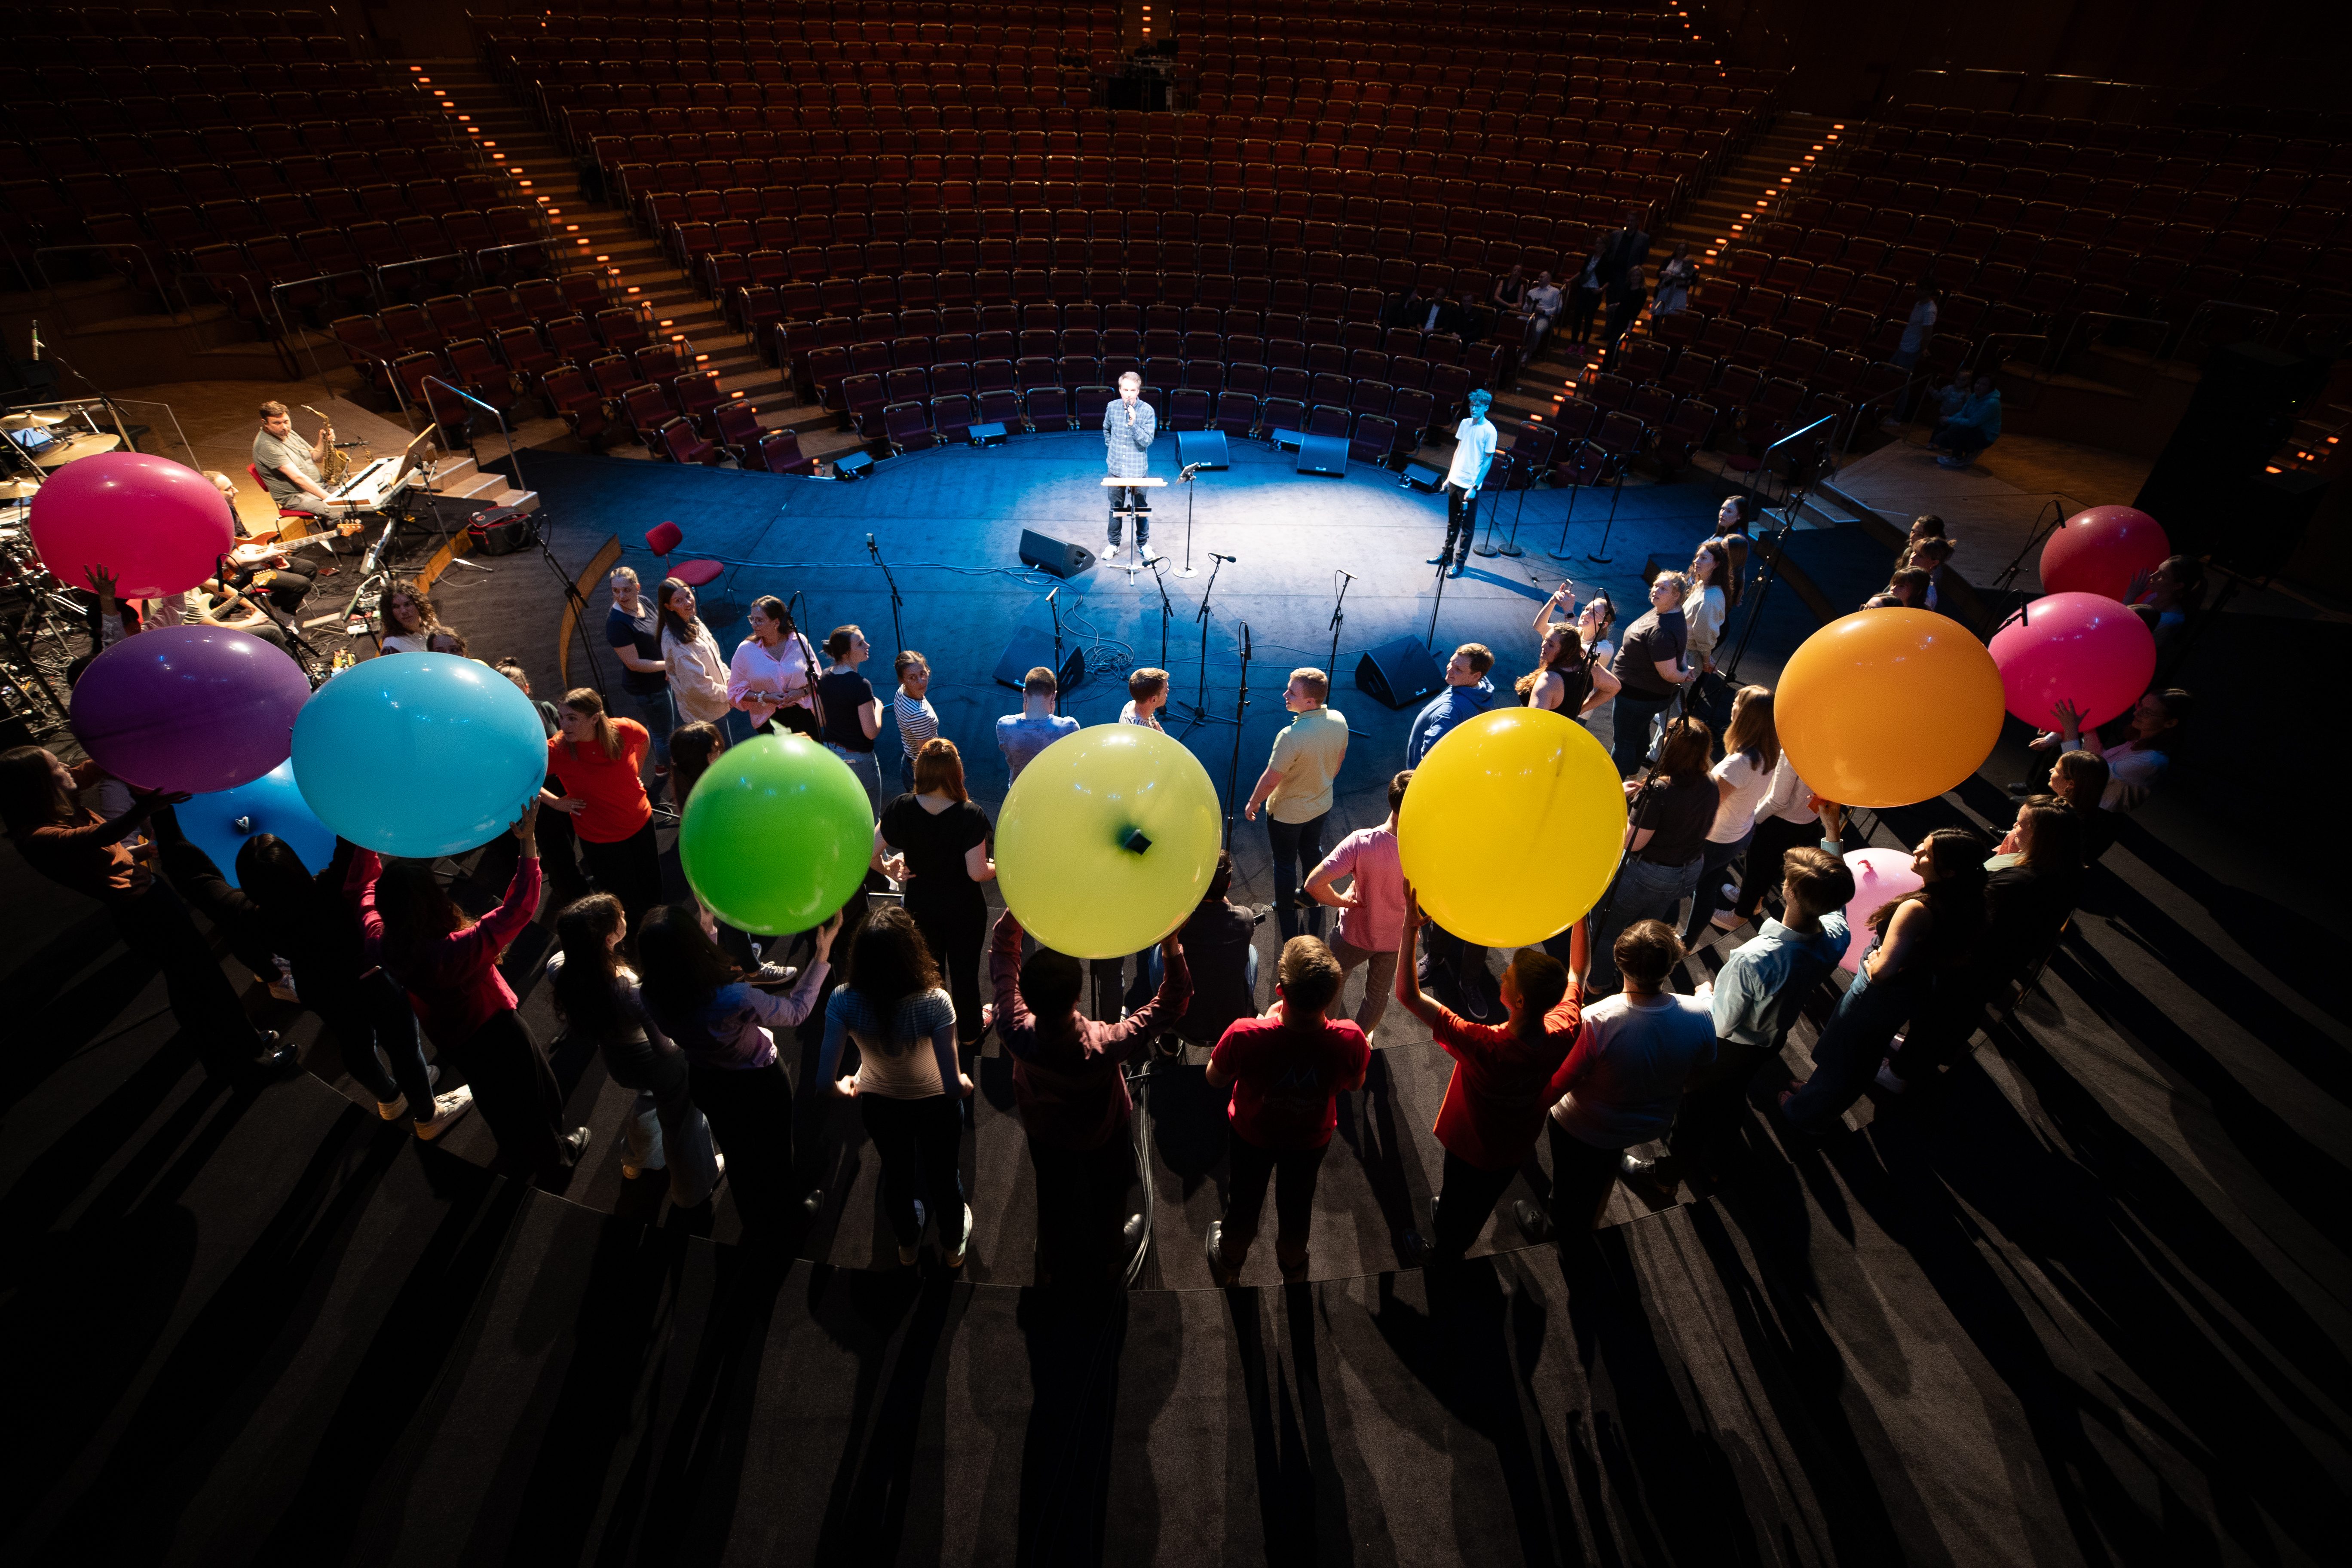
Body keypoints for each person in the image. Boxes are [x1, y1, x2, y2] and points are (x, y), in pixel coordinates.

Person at [157, 817, 470, 1134]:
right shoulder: (333, 889)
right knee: (404, 1049)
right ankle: (428, 1116)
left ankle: (390, 1100)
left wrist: (164, 823)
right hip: (371, 981)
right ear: (293, 865)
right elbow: (352, 837)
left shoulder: (250, 915)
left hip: (318, 987)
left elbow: (199, 881)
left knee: (354, 1046)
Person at [0, 747, 291, 1078]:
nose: (69, 768)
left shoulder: (48, 811)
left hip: (148, 903)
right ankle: (251, 1061)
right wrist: (147, 807)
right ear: (38, 785)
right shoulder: (37, 836)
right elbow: (99, 836)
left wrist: (138, 748)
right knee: (204, 987)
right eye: (57, 766)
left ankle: (238, 1045)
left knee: (199, 984)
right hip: (146, 913)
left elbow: (93, 771)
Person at [349, 803, 588, 1180]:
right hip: (495, 1028)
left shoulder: (381, 941)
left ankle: (511, 1149)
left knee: (491, 1096)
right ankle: (556, 1157)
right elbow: (519, 909)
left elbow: (362, 890)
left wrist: (364, 839)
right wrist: (528, 844)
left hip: (448, 1035)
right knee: (533, 1094)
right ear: (432, 900)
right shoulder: (457, 950)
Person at [992, 906, 1191, 1281]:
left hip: (1044, 1131)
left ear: (1026, 996)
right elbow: (1174, 1002)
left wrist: (1023, 903)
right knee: (1110, 1195)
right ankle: (1112, 1261)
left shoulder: (1010, 1025)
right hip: (1103, 1133)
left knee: (1050, 1197)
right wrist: (1171, 944)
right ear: (1079, 995)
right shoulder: (1107, 1042)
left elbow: (1003, 950)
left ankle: (1049, 1265)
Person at [1393, 882, 1584, 1259]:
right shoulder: (1565, 1028)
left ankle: (1446, 1251)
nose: (1501, 975)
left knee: (1457, 1199)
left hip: (1472, 1146)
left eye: (1508, 975)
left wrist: (1410, 928)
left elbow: (1408, 995)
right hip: (1515, 1143)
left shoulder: (1484, 1046)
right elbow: (1578, 969)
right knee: (1482, 1201)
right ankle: (1457, 1230)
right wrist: (1583, 911)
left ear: (1518, 1000)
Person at [637, 899, 837, 1235]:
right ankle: (789, 1217)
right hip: (759, 1083)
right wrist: (821, 957)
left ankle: (753, 1220)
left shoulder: (649, 994)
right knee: (776, 1153)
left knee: (739, 1157)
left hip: (707, 1082)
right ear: (694, 945)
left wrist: (707, 924)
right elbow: (797, 1011)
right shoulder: (735, 998)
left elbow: (684, 966)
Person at [1657, 847, 1852, 1182]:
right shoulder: (1837, 934)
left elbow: (1722, 1022)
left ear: (1789, 893)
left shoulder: (1754, 959)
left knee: (1695, 1106)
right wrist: (1832, 839)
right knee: (1732, 1098)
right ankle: (1716, 1164)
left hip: (1729, 1049)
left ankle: (1667, 1176)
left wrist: (1706, 995)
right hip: (1768, 1043)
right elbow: (1838, 908)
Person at [1780, 825, 1988, 1135]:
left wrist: (1875, 961)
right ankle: (1816, 1096)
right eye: (1922, 843)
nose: (1916, 850)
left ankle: (1804, 1113)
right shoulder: (1965, 902)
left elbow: (1882, 973)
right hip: (1909, 992)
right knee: (1862, 1053)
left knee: (1845, 1054)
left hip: (1878, 995)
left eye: (1927, 853)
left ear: (1948, 872)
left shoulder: (1916, 909)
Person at [1880, 801, 2084, 1095]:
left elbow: (1972, 916)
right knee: (1953, 1018)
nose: (2012, 829)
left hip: (1971, 966)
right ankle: (1920, 1053)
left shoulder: (2020, 881)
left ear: (2042, 837)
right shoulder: (2067, 871)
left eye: (2019, 825)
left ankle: (1901, 1074)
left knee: (1939, 1017)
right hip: (2001, 965)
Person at [1202, 936, 1372, 1285]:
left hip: (1252, 1135)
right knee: (1297, 1205)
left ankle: (1231, 1261)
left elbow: (1215, 1078)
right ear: (1333, 994)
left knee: (1244, 1200)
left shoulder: (1245, 1034)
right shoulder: (1351, 1039)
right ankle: (1294, 1268)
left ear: (1281, 990)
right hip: (1310, 1141)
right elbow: (1355, 1085)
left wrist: (1265, 1022)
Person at [818, 906, 973, 1268]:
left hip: (881, 1106)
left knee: (897, 1177)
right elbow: (952, 1087)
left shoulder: (842, 1000)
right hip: (936, 1106)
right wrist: (965, 1084)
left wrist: (847, 1085)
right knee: (944, 1179)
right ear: (912, 950)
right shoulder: (935, 1003)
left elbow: (824, 1082)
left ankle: (907, 1245)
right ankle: (952, 1249)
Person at [548, 893, 722, 1205]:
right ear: (610, 936)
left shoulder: (559, 968)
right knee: (683, 1123)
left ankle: (636, 1160)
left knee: (649, 1101)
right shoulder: (631, 992)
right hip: (656, 1065)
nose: (626, 917)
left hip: (618, 1061)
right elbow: (665, 1049)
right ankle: (693, 1189)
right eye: (622, 916)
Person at [1541, 920, 1714, 1233]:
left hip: (1583, 1127)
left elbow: (1555, 1090)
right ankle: (1592, 1211)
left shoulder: (1596, 1020)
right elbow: (1697, 1079)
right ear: (1672, 964)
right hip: (1646, 1126)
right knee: (1603, 1170)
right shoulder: (1701, 1014)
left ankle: (1559, 1224)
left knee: (1571, 1183)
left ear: (1620, 962)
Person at [873, 738, 996, 1066]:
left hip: (919, 906)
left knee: (928, 973)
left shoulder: (902, 807)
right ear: (957, 772)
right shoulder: (971, 816)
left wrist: (888, 868)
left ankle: (932, 1032)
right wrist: (1001, 869)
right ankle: (970, 1032)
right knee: (966, 974)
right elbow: (977, 873)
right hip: (964, 910)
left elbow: (868, 850)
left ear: (921, 771)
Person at [1587, 717, 1717, 994]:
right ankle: (1635, 981)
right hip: (1685, 872)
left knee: (1606, 927)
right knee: (1645, 929)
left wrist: (1616, 800)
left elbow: (1631, 842)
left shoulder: (1659, 790)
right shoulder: (1710, 783)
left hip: (1647, 874)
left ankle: (1598, 983)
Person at [541, 687, 662, 943]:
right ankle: (637, 952)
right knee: (625, 903)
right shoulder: (558, 750)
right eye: (561, 717)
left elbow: (644, 739)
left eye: (572, 718)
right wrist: (554, 802)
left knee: (654, 892)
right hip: (602, 841)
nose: (563, 725)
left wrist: (636, 772)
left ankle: (660, 940)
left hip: (641, 824)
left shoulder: (623, 729)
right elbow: (521, 779)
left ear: (595, 718)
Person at [1243, 666, 1349, 941]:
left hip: (1288, 815)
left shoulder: (1290, 736)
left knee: (1285, 863)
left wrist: (1254, 803)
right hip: (1322, 805)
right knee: (1312, 849)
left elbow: (1270, 780)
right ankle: (1314, 893)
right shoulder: (1338, 719)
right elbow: (1338, 763)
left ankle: (1287, 912)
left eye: (1292, 691)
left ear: (1310, 702)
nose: (1285, 694)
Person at [1305, 768, 1411, 1039]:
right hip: (1395, 940)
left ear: (1391, 801)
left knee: (1333, 984)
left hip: (1354, 934)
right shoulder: (1427, 850)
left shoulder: (1362, 843)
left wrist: (1341, 900)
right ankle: (1359, 1040)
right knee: (1377, 996)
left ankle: (1327, 1036)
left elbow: (1313, 884)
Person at [1683, 687, 1778, 942]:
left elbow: (1707, 805)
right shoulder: (1767, 753)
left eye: (1737, 702)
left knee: (1680, 890)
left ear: (1748, 715)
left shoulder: (1738, 763)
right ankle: (1688, 943)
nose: (1732, 704)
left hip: (1715, 839)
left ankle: (1675, 943)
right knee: (1706, 890)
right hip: (1737, 832)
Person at [1153, 851, 1264, 1050]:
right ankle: (1250, 1012)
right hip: (1230, 1026)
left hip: (1183, 1024)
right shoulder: (1245, 918)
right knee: (1251, 951)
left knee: (1157, 954)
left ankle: (1167, 1034)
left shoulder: (1179, 919)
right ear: (1228, 885)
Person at [1716, 746, 1834, 931]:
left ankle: (1738, 917)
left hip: (1778, 819)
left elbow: (1778, 801)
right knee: (1770, 866)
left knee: (1757, 867)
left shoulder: (1793, 749)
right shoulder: (1831, 748)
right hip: (1806, 818)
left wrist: (1753, 821)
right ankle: (1754, 902)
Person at [2029, 688, 2190, 812]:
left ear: (2170, 723)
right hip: (2084, 805)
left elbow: (2083, 774)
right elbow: (2098, 758)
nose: (2136, 712)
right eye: (2140, 705)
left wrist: (2071, 729)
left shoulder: (2151, 761)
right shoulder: (2139, 741)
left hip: (2095, 818)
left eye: (2148, 712)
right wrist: (2086, 726)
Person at [1606, 571, 1692, 778]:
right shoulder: (1665, 611)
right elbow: (1680, 651)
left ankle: (1613, 782)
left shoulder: (1662, 630)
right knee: (1639, 731)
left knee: (1625, 740)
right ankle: (1634, 772)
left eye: (1664, 588)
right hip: (1642, 696)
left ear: (1677, 595)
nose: (1656, 590)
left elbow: (1669, 673)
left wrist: (1684, 675)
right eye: (1656, 585)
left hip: (1639, 697)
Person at [604, 566, 673, 778]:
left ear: (637, 588)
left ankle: (662, 765)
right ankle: (667, 770)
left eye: (626, 590)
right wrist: (670, 666)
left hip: (660, 676)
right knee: (664, 733)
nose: (621, 596)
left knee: (658, 725)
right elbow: (634, 663)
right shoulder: (616, 624)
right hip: (648, 688)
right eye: (616, 591)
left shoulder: (644, 602)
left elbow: (659, 629)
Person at [1518, 583, 1621, 717]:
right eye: (1586, 609)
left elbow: (1572, 650)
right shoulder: (1576, 632)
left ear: (1604, 624)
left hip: (1573, 706)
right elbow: (1540, 626)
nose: (1586, 614)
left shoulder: (1605, 648)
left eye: (1594, 613)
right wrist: (1552, 602)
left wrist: (1569, 612)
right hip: (1551, 697)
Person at [816, 624, 886, 819]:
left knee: (844, 815)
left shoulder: (825, 676)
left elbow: (822, 719)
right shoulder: (861, 685)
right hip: (859, 760)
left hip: (832, 756)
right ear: (846, 654)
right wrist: (877, 708)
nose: (867, 645)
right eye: (860, 644)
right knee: (870, 817)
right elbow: (871, 732)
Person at [727, 594, 821, 738]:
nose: (753, 625)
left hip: (804, 714)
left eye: (759, 621)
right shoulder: (745, 650)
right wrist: (765, 697)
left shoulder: (799, 641)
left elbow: (817, 679)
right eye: (752, 619)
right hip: (769, 721)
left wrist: (800, 693)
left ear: (776, 623)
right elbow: (735, 691)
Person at [656, 576, 734, 740]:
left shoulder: (694, 621)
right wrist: (731, 694)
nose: (688, 602)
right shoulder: (678, 644)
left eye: (688, 595)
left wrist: (732, 684)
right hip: (707, 714)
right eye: (679, 601)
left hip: (718, 703)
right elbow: (700, 687)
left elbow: (717, 659)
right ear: (669, 607)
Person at [1432, 388, 1498, 576]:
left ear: (1486, 407)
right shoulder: (1465, 423)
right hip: (1455, 480)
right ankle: (1446, 555)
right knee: (1452, 522)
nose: (1473, 409)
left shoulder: (1490, 431)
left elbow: (1488, 462)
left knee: (1467, 528)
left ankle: (1459, 563)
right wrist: (1449, 477)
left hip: (1470, 484)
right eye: (1472, 405)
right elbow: (1458, 451)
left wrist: (1475, 487)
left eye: (1478, 406)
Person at [1406, 642, 1497, 766]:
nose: (1450, 669)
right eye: (1451, 663)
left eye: (1458, 669)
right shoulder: (1477, 686)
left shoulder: (1450, 712)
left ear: (1476, 675)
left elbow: (1430, 754)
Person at [1104, 369, 1159, 562]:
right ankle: (1113, 544)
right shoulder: (1112, 407)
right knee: (1115, 507)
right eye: (1125, 389)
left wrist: (1133, 423)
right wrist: (1113, 449)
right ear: (1120, 390)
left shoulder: (1147, 411)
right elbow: (1106, 429)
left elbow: (1147, 441)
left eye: (1133, 390)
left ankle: (1143, 545)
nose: (1129, 394)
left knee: (1141, 507)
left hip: (1137, 470)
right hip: (1116, 468)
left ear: (1138, 391)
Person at [995, 664, 1079, 783]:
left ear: (1025, 693)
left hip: (1018, 793)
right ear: (1054, 695)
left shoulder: (1004, 725)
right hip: (1053, 792)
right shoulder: (1069, 727)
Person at [250, 399, 337, 512]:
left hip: (319, 486)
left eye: (286, 422)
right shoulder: (267, 446)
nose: (284, 427)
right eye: (277, 423)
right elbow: (298, 479)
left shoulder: (288, 432)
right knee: (339, 512)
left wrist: (323, 440)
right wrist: (331, 500)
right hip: (295, 496)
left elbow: (316, 458)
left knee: (357, 500)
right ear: (265, 423)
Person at [890, 649, 938, 794]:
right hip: (921, 774)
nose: (921, 681)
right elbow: (927, 755)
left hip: (908, 762)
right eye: (912, 678)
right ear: (902, 680)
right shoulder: (919, 714)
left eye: (923, 673)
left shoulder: (903, 691)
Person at [1931, 374, 2002, 468]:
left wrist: (1950, 420)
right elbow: (1963, 413)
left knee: (1955, 429)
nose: (1979, 386)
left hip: (1984, 436)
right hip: (1972, 431)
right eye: (1978, 383)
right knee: (1940, 439)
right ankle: (1971, 451)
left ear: (1990, 388)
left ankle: (1958, 459)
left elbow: (1972, 422)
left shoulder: (1992, 403)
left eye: (1984, 385)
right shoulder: (1974, 396)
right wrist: (1948, 419)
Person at [377, 577, 444, 654]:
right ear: (390, 612)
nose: (404, 611)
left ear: (418, 604)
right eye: (396, 607)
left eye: (407, 604)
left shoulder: (430, 623)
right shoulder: (392, 646)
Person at [1568, 235, 1608, 347]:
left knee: (1589, 320)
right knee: (1577, 318)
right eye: (1596, 243)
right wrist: (1570, 280)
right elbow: (1582, 272)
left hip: (1594, 293)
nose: (1597, 245)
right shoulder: (1590, 257)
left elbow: (1610, 279)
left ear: (1605, 246)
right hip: (1583, 290)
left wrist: (1601, 290)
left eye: (1600, 243)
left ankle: (1584, 344)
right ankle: (1573, 343)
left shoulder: (1607, 260)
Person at [1890, 283, 1939, 372]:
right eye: (1919, 289)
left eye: (1922, 290)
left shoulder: (1929, 311)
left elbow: (1928, 333)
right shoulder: (1919, 304)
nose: (1919, 292)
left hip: (1912, 350)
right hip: (1905, 345)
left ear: (1930, 291)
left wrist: (1923, 348)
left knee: (1900, 376)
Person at [1523, 269, 1563, 354]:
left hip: (1544, 317)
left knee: (1537, 330)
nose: (1539, 279)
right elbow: (1525, 309)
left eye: (1542, 277)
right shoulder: (1532, 292)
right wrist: (1530, 305)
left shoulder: (1555, 292)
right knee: (1516, 322)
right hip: (1530, 316)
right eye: (1539, 277)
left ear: (1549, 279)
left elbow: (1559, 308)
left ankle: (1529, 352)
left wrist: (1544, 311)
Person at [1652, 241, 1696, 315]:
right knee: (1658, 314)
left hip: (1678, 293)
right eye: (1679, 249)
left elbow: (1694, 280)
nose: (1681, 252)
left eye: (1683, 250)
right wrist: (1665, 273)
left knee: (1672, 315)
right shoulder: (1668, 260)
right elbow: (1658, 273)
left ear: (1686, 251)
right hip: (1664, 291)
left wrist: (1685, 282)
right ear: (1676, 249)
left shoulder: (1688, 264)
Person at [1121, 665, 1170, 729]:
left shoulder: (1130, 705)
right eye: (1165, 691)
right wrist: (1160, 735)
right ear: (1154, 699)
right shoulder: (1141, 731)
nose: (1168, 691)